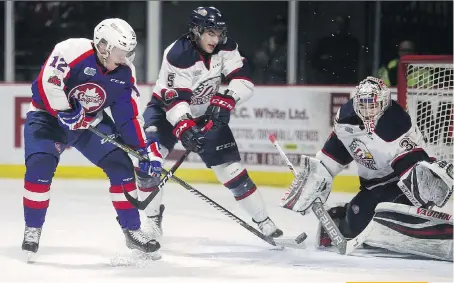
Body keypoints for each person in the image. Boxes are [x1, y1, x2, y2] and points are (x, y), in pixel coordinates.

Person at [137, 6, 283, 239]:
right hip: (165, 111)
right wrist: (185, 127)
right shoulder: (178, 54)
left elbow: (243, 80)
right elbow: (176, 101)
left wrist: (227, 99)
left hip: (206, 114)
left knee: (233, 172)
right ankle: (153, 221)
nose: (216, 39)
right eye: (210, 33)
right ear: (196, 31)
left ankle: (264, 221)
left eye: (219, 33)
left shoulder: (227, 48)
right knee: (147, 162)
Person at [22, 18, 163, 255]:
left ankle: (132, 230)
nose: (125, 56)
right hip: (47, 118)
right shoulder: (70, 50)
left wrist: (143, 148)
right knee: (40, 165)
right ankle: (32, 228)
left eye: (129, 51)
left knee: (121, 166)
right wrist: (65, 109)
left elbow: (128, 115)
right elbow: (48, 84)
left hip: (88, 123)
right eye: (121, 50)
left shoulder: (125, 72)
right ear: (103, 45)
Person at [280, 76, 453, 260]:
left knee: (388, 213)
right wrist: (317, 175)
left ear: (384, 102)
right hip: (373, 186)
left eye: (372, 105)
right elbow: (334, 154)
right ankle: (341, 217)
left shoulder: (395, 121)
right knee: (356, 221)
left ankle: (421, 229)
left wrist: (424, 181)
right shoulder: (347, 119)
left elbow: (409, 162)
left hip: (400, 183)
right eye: (363, 104)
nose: (367, 110)